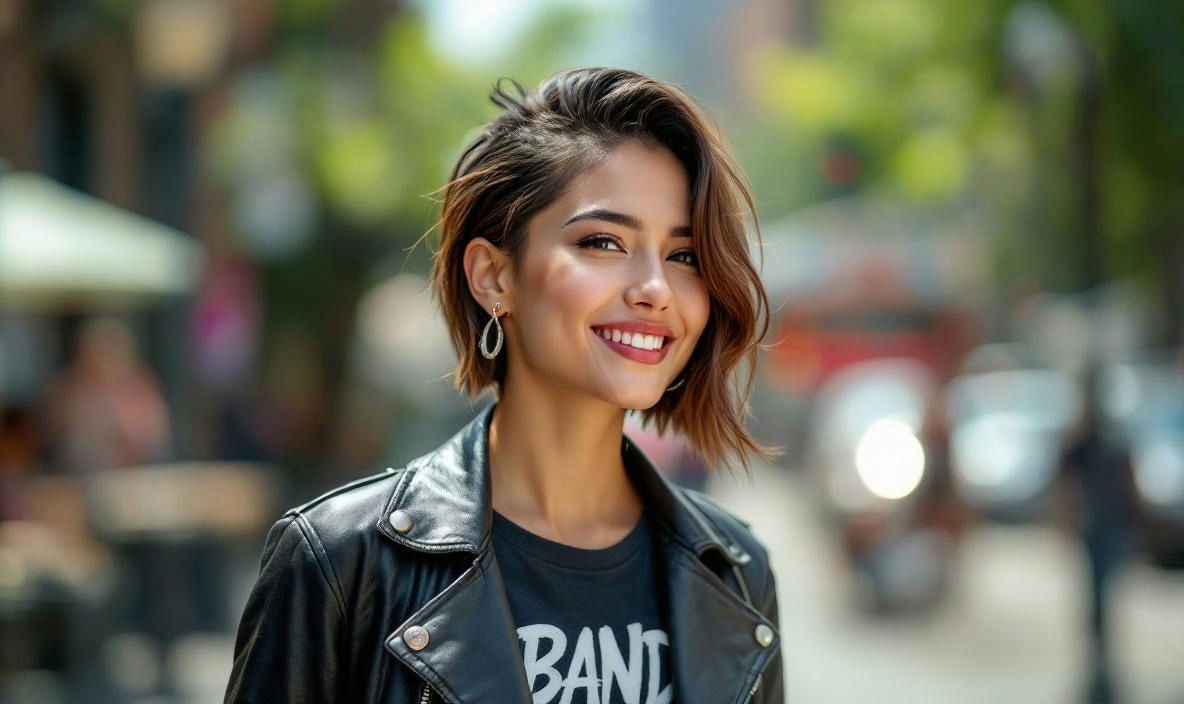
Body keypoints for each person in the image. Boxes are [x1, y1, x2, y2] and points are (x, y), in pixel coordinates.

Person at [225, 67, 783, 704]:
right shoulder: (340, 565)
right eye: (604, 242)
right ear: (493, 276)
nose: (655, 289)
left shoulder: (736, 574)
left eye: (683, 256)